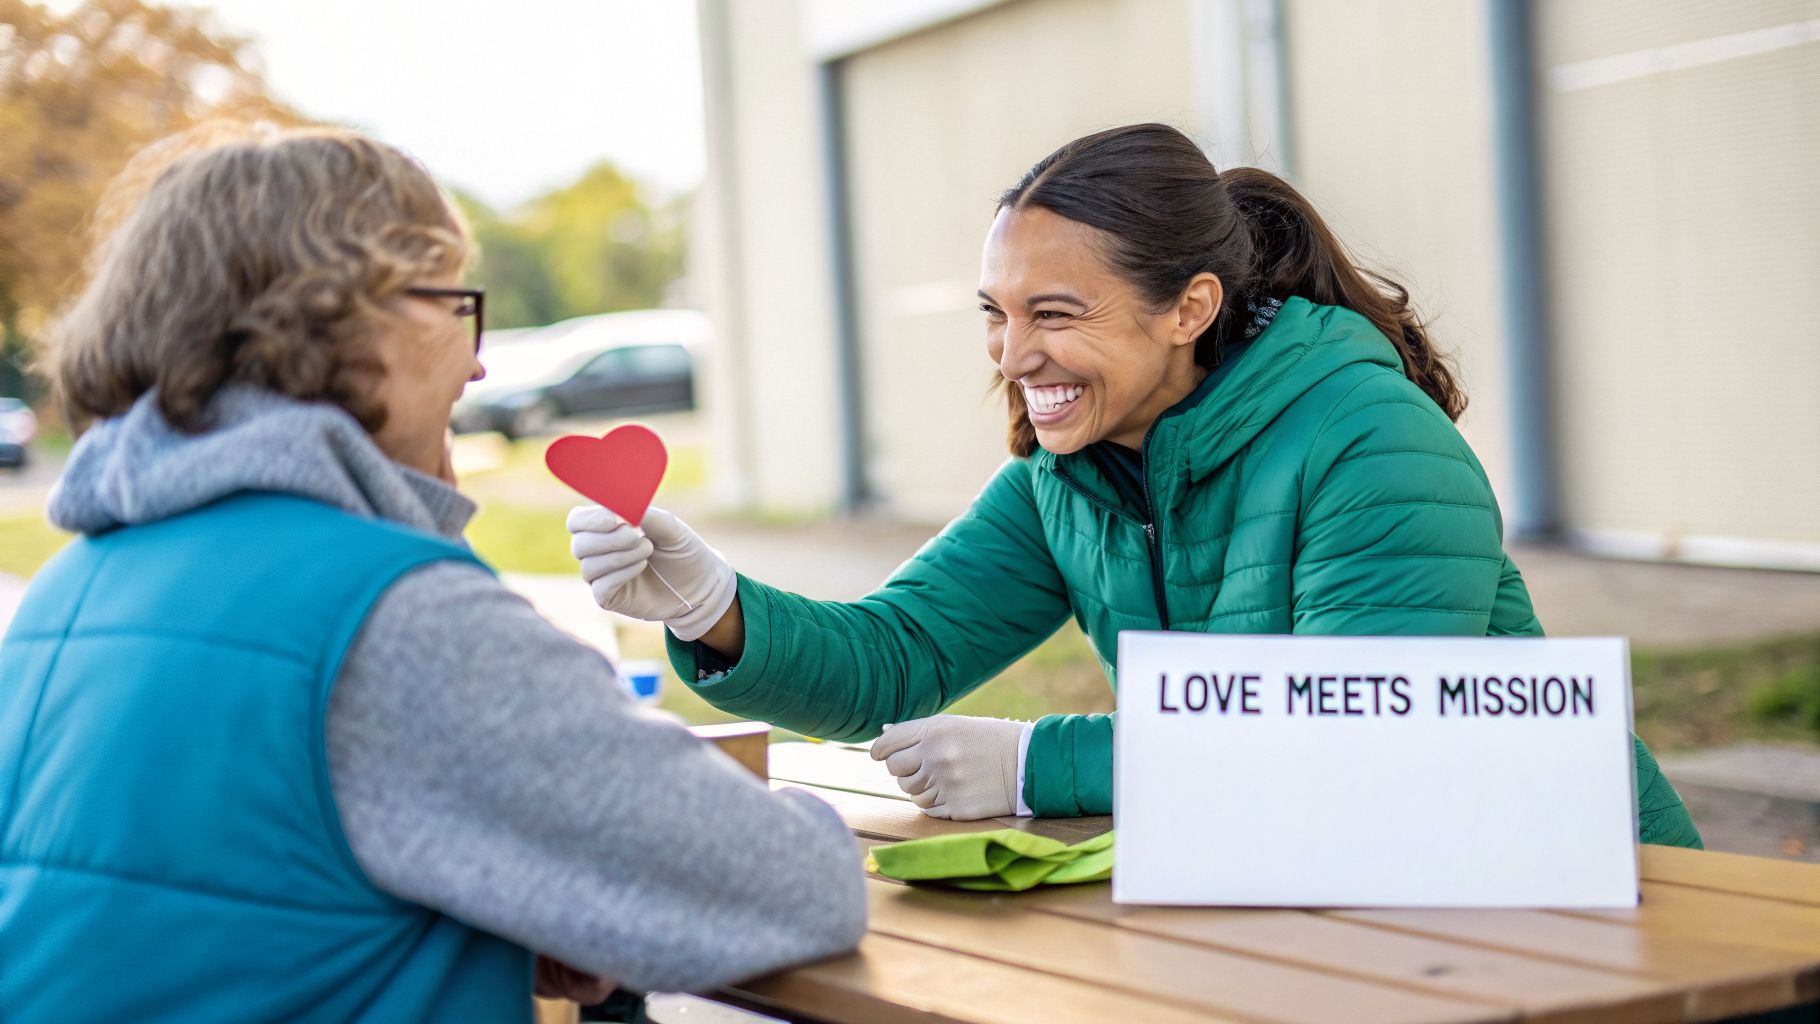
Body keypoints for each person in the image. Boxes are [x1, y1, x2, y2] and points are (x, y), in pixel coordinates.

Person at [568, 123, 1701, 847]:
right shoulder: (1073, 472)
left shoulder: (1369, 440)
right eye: (997, 316)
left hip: (1578, 884)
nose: (1013, 358)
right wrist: (709, 607)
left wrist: (1032, 764)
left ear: (1188, 309)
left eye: (1054, 314)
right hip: (1338, 888)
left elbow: (1360, 732)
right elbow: (895, 659)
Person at [0, 124, 865, 1023]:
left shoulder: (69, 590)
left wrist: (494, 915)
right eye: (457, 303)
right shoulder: (386, 614)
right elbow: (793, 888)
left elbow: (222, 918)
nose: (478, 358)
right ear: (348, 318)